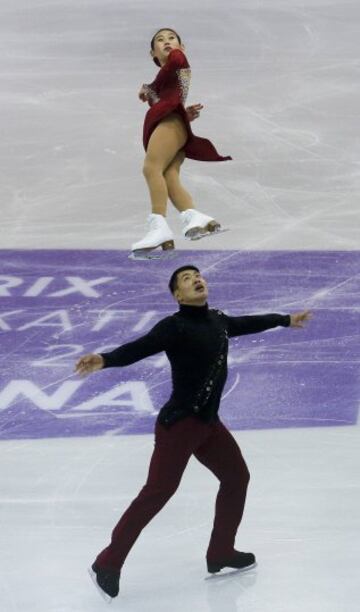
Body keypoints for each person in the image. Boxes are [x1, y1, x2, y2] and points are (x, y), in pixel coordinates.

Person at [75, 265, 312, 599]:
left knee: (236, 478)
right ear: (177, 295)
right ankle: (107, 562)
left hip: (208, 425)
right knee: (157, 492)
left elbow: (249, 322)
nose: (196, 279)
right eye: (186, 279)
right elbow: (138, 347)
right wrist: (104, 359)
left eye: (197, 275)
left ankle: (220, 553)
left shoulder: (218, 319)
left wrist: (285, 319)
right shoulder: (174, 327)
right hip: (180, 426)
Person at [131, 28, 232, 258]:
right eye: (160, 40)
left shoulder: (178, 59)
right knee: (168, 176)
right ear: (152, 53)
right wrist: (182, 113)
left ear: (182, 46)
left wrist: (150, 86)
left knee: (151, 168)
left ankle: (158, 227)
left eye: (172, 38)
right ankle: (196, 217)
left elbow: (169, 71)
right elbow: (168, 100)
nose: (167, 42)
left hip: (170, 125)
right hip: (175, 124)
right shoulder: (169, 74)